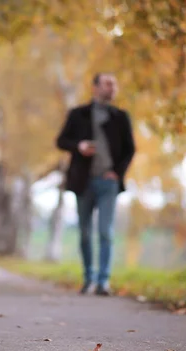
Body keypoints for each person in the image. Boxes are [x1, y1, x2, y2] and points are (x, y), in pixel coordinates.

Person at [56, 73, 135, 296]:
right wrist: (79, 146)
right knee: (84, 232)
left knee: (105, 232)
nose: (112, 88)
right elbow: (61, 141)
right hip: (83, 181)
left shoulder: (120, 117)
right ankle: (88, 278)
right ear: (96, 87)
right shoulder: (78, 114)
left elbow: (130, 149)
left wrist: (117, 173)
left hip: (108, 183)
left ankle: (103, 281)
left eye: (115, 84)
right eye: (108, 84)